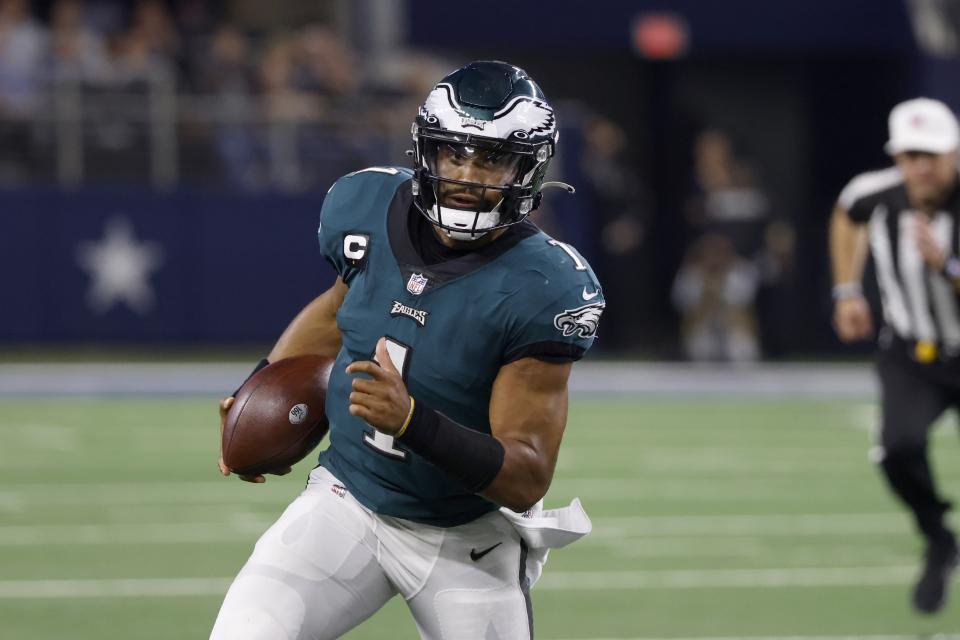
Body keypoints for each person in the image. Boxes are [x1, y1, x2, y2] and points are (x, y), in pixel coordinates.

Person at [210, 61, 603, 639]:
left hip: (466, 534)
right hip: (348, 499)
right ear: (427, 152)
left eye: (491, 158)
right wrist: (263, 386)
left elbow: (526, 476)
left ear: (528, 168)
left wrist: (414, 422)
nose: (469, 174)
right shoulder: (367, 205)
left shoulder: (546, 286)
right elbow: (335, 310)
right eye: (455, 153)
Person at [830, 97, 960, 614]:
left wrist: (947, 266)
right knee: (897, 447)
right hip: (912, 351)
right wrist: (847, 289)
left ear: (952, 153)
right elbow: (846, 214)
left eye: (930, 154)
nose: (920, 166)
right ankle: (938, 536)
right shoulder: (876, 194)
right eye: (909, 155)